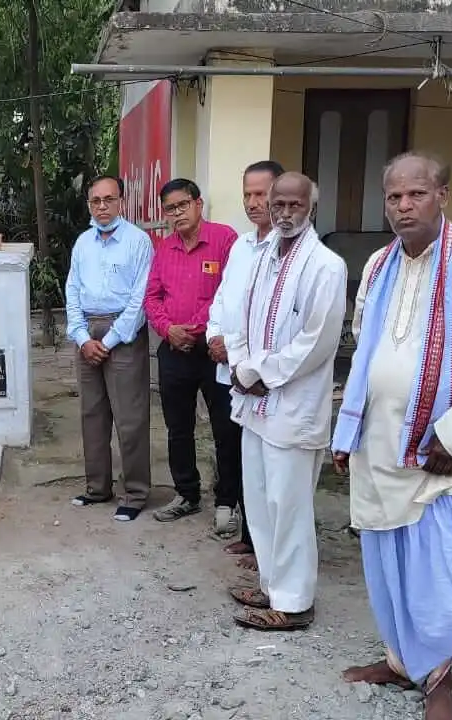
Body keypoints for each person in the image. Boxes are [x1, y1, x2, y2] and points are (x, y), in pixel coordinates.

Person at [331, 153, 452, 720]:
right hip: (382, 441)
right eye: (393, 197)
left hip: (449, 453)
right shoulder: (376, 266)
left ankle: (438, 678)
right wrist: (349, 429)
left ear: (443, 195)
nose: (402, 206)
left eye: (416, 194)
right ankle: (400, 660)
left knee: (437, 570)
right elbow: (365, 347)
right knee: (387, 559)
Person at [225, 172, 346, 632]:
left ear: (311, 207)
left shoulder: (325, 266)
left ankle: (294, 603)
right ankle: (271, 583)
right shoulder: (261, 256)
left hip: (293, 404)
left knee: (288, 503)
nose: (285, 212)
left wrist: (262, 374)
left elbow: (317, 341)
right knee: (257, 499)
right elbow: (238, 315)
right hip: (252, 400)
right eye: (279, 204)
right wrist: (240, 366)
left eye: (295, 205)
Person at [145, 178, 240, 523]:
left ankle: (227, 501)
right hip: (173, 349)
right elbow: (152, 297)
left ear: (199, 204)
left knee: (225, 427)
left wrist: (194, 329)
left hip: (213, 351)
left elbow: (227, 295)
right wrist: (168, 329)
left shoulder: (225, 239)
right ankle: (186, 494)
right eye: (170, 208)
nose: (177, 213)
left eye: (183, 205)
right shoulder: (164, 248)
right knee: (178, 426)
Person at [65, 175, 155, 521]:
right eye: (95, 201)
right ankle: (97, 487)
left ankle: (135, 493)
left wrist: (110, 339)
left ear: (121, 201)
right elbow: (72, 290)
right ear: (89, 204)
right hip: (87, 330)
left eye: (109, 199)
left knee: (130, 417)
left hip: (124, 331)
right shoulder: (83, 243)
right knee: (92, 414)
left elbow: (140, 298)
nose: (102, 207)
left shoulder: (137, 241)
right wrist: (81, 336)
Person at [206, 160, 283, 563]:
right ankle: (251, 536)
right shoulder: (241, 245)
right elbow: (223, 298)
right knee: (237, 452)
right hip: (227, 370)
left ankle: (266, 544)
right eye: (248, 194)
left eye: (261, 194)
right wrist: (214, 335)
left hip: (259, 374)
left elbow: (269, 318)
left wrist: (236, 353)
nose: (254, 203)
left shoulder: (286, 251)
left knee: (267, 463)